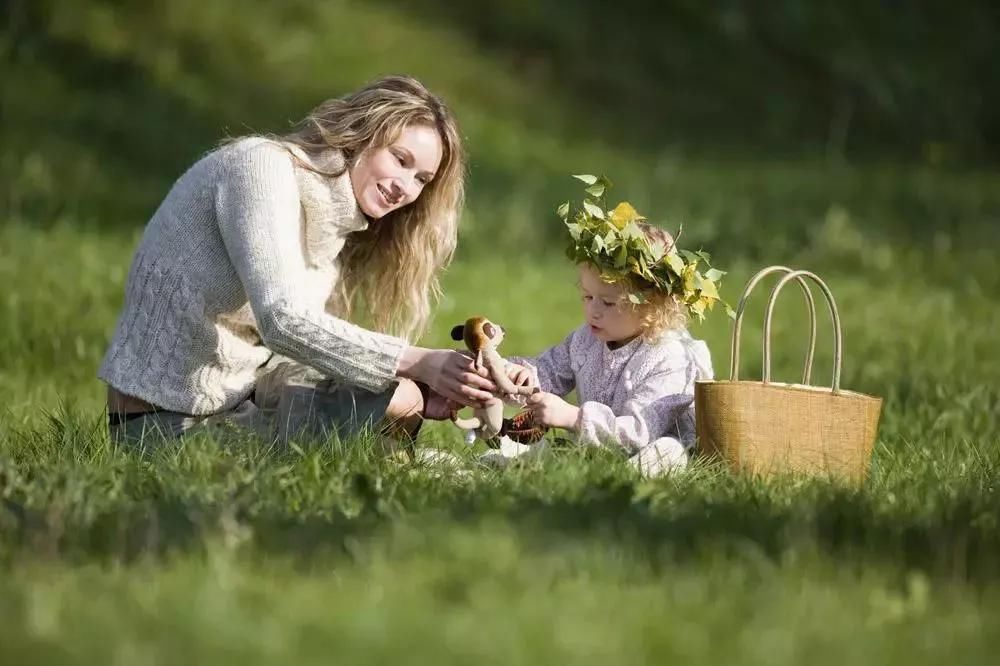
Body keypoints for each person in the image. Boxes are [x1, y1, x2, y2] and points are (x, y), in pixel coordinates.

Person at [99, 75, 495, 449]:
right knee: (397, 400)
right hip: (164, 426)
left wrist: (423, 386)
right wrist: (417, 362)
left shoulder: (333, 220)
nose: (404, 187)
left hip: (239, 399)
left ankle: (409, 458)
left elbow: (295, 349)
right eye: (400, 159)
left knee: (402, 398)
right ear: (362, 134)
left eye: (422, 179)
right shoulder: (260, 167)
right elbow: (282, 320)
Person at [497, 209, 718, 477]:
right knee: (528, 445)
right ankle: (514, 461)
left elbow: (640, 430)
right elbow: (549, 371)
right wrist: (519, 376)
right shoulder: (586, 340)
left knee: (668, 452)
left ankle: (622, 480)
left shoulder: (670, 358)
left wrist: (573, 418)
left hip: (649, 445)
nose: (594, 311)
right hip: (596, 445)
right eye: (587, 297)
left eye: (609, 302)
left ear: (651, 306)